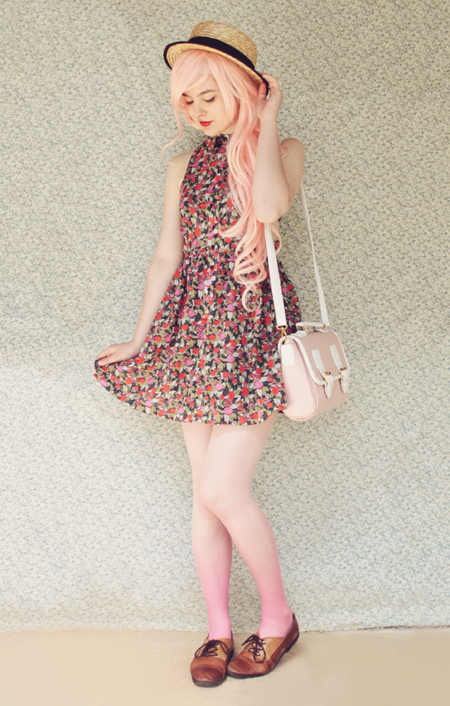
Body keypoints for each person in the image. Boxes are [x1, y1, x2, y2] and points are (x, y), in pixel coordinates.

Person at [94, 21, 305, 687]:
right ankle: (217, 629)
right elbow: (167, 256)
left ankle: (277, 619)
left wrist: (268, 118)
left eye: (209, 95)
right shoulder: (183, 168)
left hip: (249, 334)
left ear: (245, 89)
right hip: (191, 337)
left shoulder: (283, 150)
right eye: (186, 99)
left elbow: (268, 207)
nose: (196, 110)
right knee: (204, 496)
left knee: (223, 487)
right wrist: (139, 337)